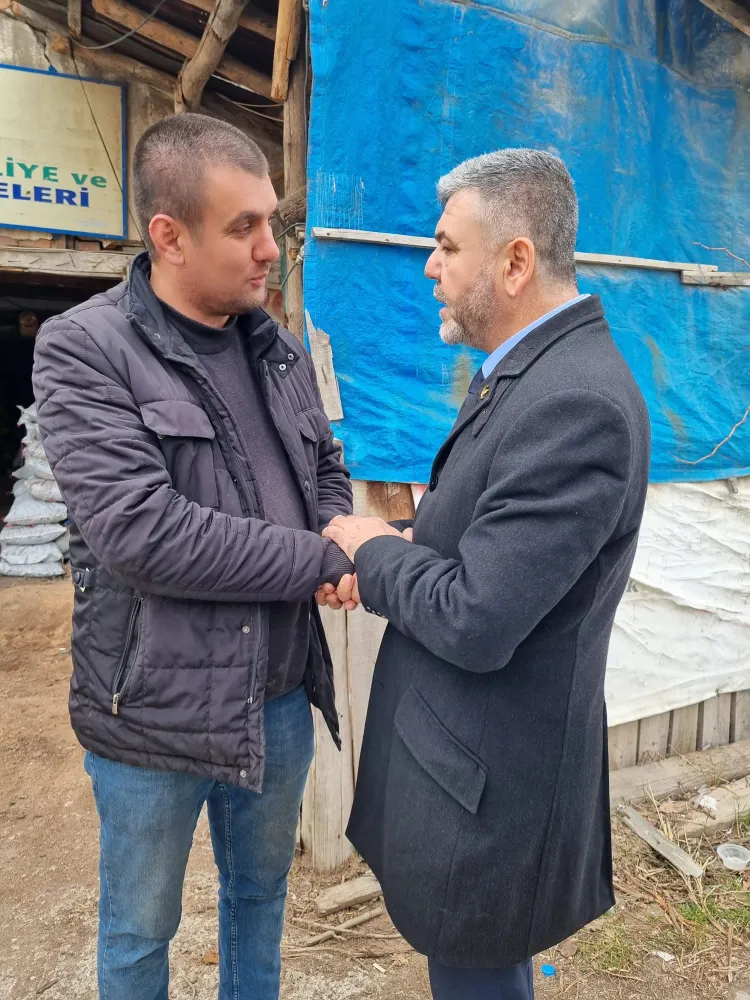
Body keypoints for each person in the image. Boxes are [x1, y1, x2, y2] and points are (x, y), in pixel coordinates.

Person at [33, 113, 354, 1000]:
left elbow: (326, 465)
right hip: (155, 714)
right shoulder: (85, 348)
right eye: (243, 227)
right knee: (139, 931)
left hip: (278, 695)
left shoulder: (276, 345)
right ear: (169, 236)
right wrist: (319, 562)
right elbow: (144, 531)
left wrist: (335, 527)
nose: (269, 250)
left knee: (260, 898)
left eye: (271, 223)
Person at [319, 149, 651, 999]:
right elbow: (475, 536)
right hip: (459, 768)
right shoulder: (525, 374)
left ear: (514, 262)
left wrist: (372, 550)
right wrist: (390, 546)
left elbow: (476, 616)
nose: (430, 267)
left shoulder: (575, 403)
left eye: (446, 247)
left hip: (489, 797)